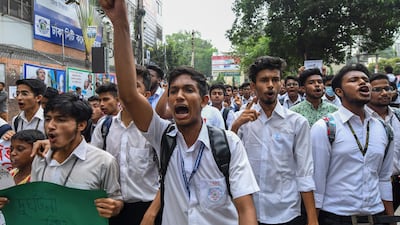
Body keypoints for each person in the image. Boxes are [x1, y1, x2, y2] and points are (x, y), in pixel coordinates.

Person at [98, 1, 260, 224]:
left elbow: (246, 209)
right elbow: (128, 95)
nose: (180, 96)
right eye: (173, 91)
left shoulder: (228, 144)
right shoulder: (163, 137)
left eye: (188, 90)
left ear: (204, 101)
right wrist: (120, 24)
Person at [0, 93, 124, 218]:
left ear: (81, 125)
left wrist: (115, 206)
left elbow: (115, 199)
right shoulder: (40, 158)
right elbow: (35, 199)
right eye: (48, 119)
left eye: (61, 120)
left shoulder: (103, 162)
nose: (51, 126)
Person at [231, 56, 318, 225]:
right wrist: (235, 127)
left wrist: (312, 218)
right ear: (253, 86)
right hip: (250, 211)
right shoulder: (239, 120)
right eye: (264, 80)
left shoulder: (297, 122)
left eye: (275, 80)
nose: (270, 85)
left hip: (287, 211)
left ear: (281, 84)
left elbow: (304, 171)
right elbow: (228, 162)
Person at [311, 64, 394, 225]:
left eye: (365, 79)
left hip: (375, 215)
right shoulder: (326, 127)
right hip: (336, 218)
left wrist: (390, 220)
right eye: (354, 80)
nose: (363, 83)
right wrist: (313, 219)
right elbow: (317, 181)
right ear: (339, 92)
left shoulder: (384, 129)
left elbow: (384, 178)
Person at [91, 65, 160, 225]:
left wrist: (151, 214)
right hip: (111, 208)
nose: (127, 91)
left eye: (135, 86)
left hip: (146, 210)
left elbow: (168, 176)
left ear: (147, 94)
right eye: (124, 85)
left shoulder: (155, 130)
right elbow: (93, 162)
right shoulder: (105, 126)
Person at [365, 73, 400, 211]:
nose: (385, 93)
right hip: (371, 185)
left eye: (388, 88)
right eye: (378, 90)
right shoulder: (359, 119)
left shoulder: (397, 116)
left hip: (396, 184)